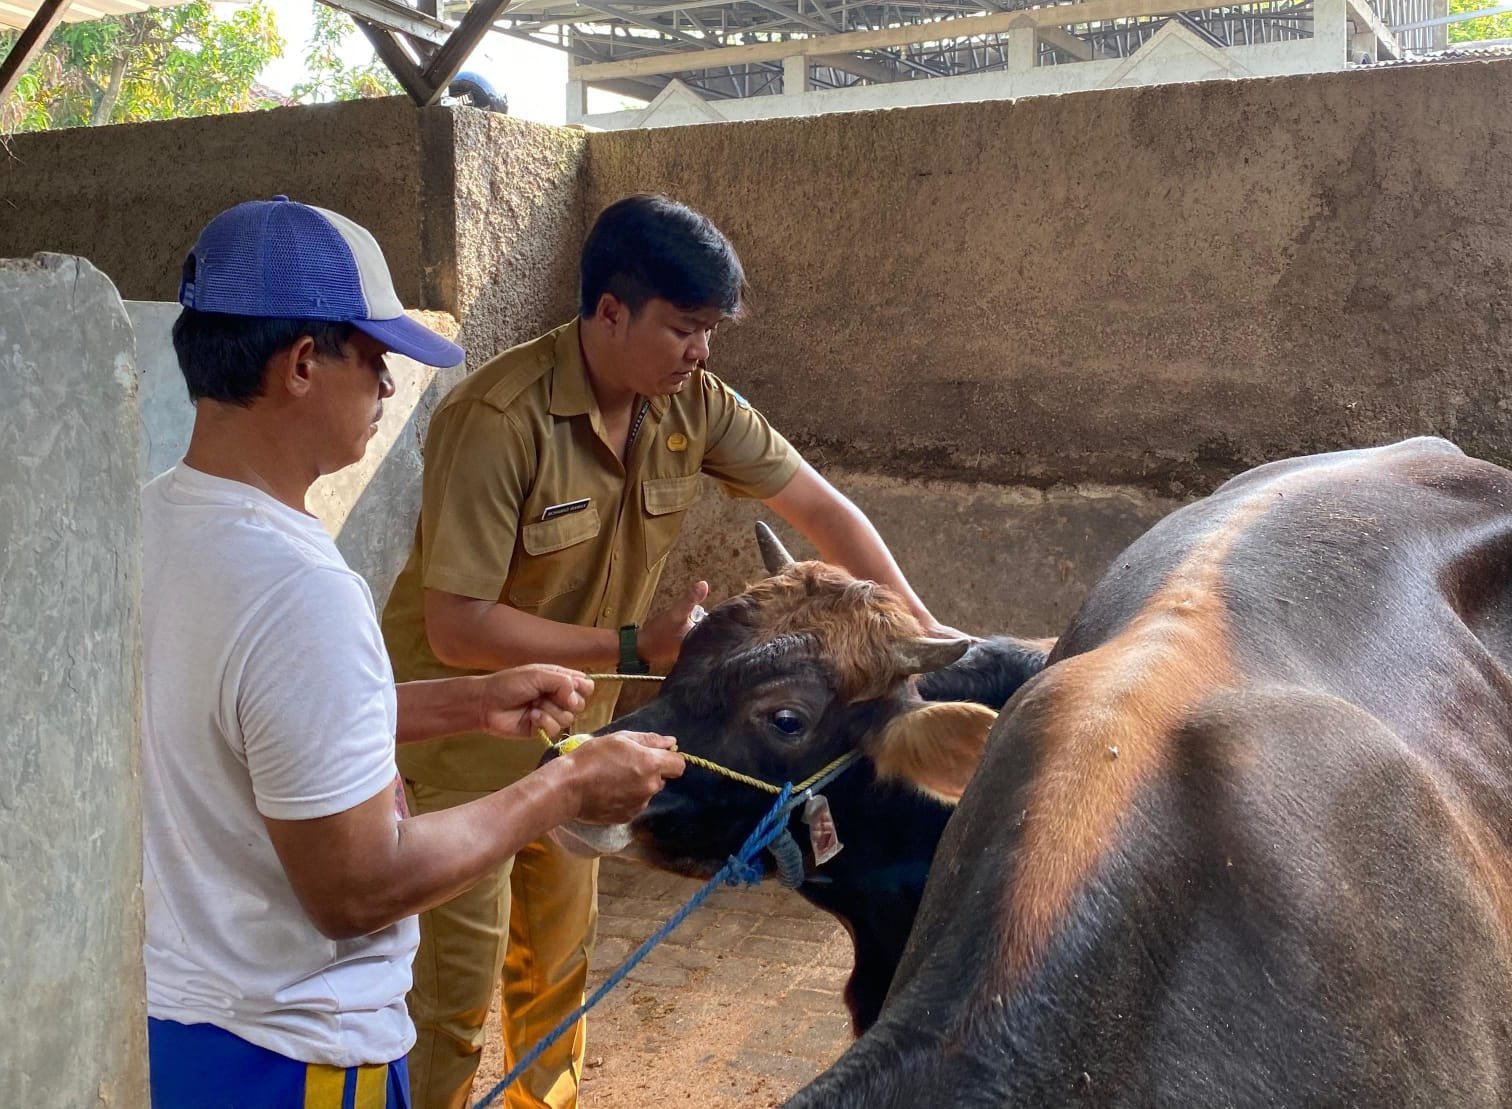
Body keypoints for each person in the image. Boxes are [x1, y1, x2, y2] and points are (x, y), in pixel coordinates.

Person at [380, 193, 962, 1109]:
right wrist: (629, 645)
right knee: (449, 999)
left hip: (586, 736)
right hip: (464, 745)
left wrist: (923, 641)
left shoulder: (689, 401)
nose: (702, 352)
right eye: (686, 328)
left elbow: (820, 509)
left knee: (558, 970)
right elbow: (456, 625)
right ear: (610, 311)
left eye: (711, 333)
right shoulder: (496, 419)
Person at [141, 196, 684, 1109]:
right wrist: (563, 787)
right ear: (304, 363)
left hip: (189, 1026)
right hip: (296, 1058)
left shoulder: (152, 522)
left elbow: (258, 730)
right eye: (377, 360)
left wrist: (469, 703)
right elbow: (358, 885)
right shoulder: (298, 588)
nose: (388, 388)